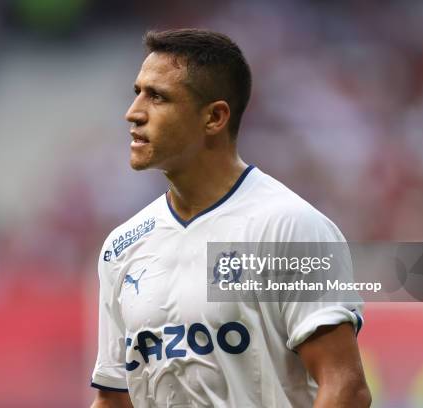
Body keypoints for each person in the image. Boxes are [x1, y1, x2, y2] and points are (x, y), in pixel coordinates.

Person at [90, 28, 371, 408]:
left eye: (157, 97)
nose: (133, 112)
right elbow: (113, 399)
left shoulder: (289, 227)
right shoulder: (121, 247)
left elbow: (346, 389)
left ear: (215, 117)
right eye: (137, 92)